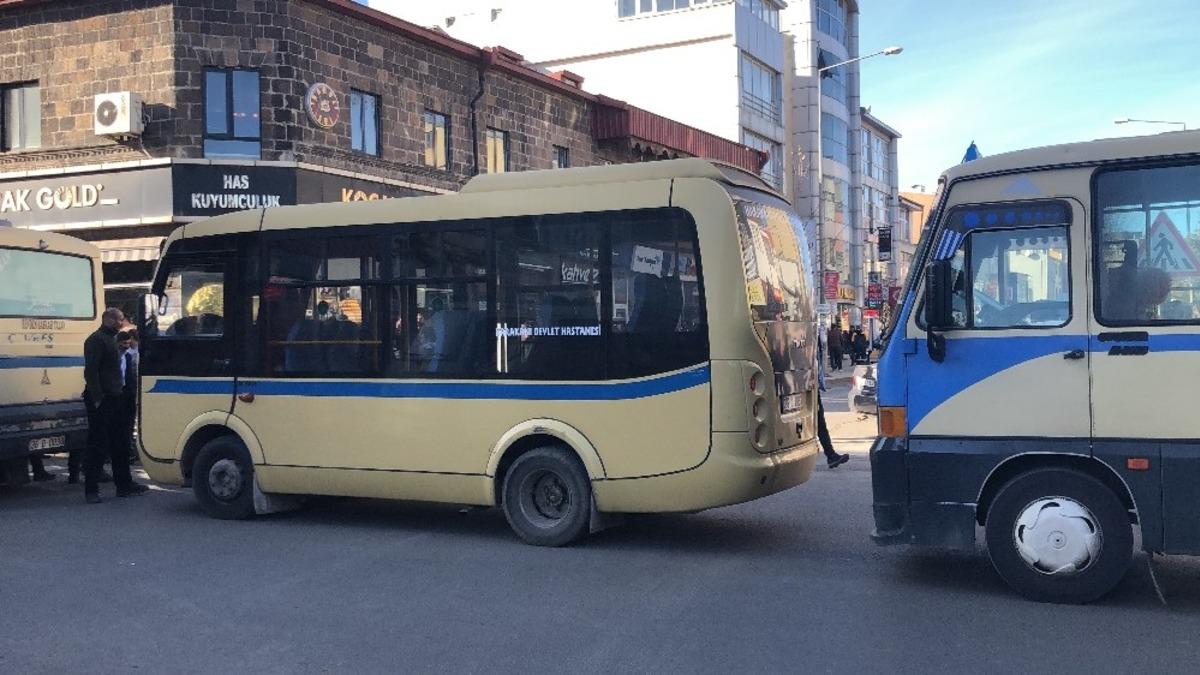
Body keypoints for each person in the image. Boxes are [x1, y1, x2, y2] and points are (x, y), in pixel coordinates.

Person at [82, 308, 148, 503]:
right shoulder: (96, 339)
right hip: (103, 399)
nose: (123, 322)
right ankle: (91, 489)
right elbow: (91, 372)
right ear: (109, 319)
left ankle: (124, 485)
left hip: (118, 396)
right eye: (120, 319)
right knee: (98, 444)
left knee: (120, 443)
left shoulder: (114, 339)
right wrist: (98, 398)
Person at [816, 367, 849, 469]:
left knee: (820, 423)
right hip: (806, 385)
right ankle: (830, 455)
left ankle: (831, 455)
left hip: (809, 386)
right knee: (819, 423)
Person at [118, 328, 139, 465]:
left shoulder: (128, 356)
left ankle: (127, 450)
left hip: (127, 394)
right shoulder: (113, 357)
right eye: (123, 343)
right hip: (116, 394)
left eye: (128, 343)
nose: (126, 346)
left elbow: (130, 377)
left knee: (128, 425)